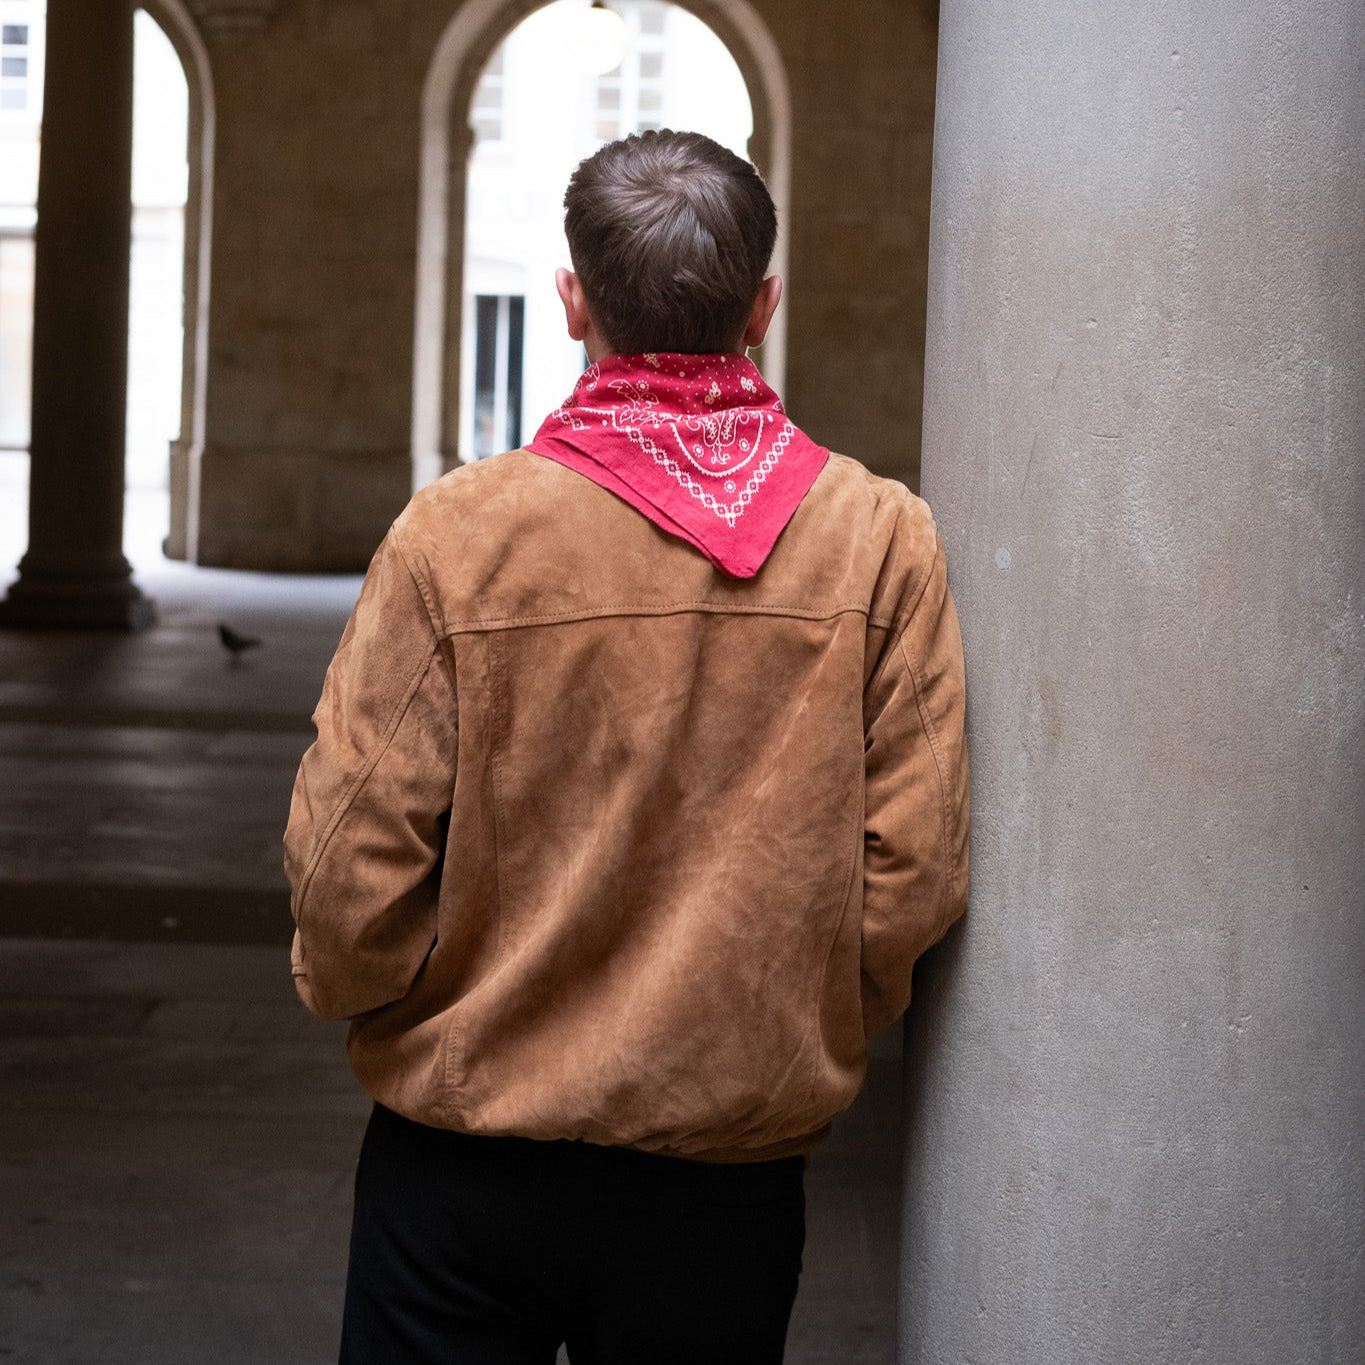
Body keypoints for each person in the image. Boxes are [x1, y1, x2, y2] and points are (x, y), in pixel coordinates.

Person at [285, 129, 969, 1365]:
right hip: (725, 1170)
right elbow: (911, 872)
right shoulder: (877, 539)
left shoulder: (458, 536)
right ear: (764, 306)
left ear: (569, 302)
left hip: (464, 1156)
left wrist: (386, 997)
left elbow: (350, 867)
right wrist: (786, 1013)